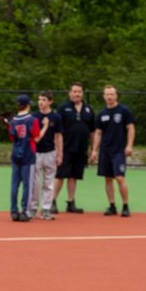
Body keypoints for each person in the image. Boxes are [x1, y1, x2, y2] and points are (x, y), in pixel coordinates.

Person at [94, 84, 136, 216]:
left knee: (119, 178)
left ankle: (125, 206)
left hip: (118, 151)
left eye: (112, 94)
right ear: (103, 96)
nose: (110, 97)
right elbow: (98, 133)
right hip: (105, 151)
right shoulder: (101, 114)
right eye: (107, 94)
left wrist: (129, 145)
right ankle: (112, 205)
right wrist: (94, 150)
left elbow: (131, 128)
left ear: (116, 96)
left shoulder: (124, 110)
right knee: (108, 179)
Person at [52, 84, 95, 213]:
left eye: (79, 92)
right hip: (65, 148)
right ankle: (51, 202)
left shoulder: (88, 109)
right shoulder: (62, 108)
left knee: (74, 176)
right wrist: (57, 149)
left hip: (81, 149)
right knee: (60, 175)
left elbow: (93, 131)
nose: (77, 94)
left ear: (82, 93)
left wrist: (93, 149)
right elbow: (56, 130)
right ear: (70, 93)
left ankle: (71, 203)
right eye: (74, 92)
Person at [5, 94, 39, 221]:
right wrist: (46, 127)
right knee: (27, 185)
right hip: (28, 155)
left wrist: (9, 125)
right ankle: (25, 211)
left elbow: (12, 137)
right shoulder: (33, 120)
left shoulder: (13, 121)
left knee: (15, 184)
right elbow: (36, 138)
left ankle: (14, 211)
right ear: (28, 105)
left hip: (16, 155)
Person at [30, 91, 60, 220]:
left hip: (50, 153)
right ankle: (32, 208)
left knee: (49, 183)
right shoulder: (34, 117)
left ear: (50, 102)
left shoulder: (56, 117)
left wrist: (59, 154)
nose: (41, 102)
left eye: (44, 100)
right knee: (35, 182)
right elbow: (32, 137)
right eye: (39, 99)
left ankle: (46, 209)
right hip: (36, 153)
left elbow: (58, 136)